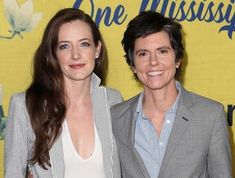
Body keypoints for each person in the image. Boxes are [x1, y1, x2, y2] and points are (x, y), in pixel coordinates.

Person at [111, 10, 232, 178]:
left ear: (178, 59)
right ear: (133, 64)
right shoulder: (115, 118)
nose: (153, 62)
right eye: (143, 54)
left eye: (162, 51)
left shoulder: (210, 116)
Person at [4, 8, 122, 178]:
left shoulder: (113, 101)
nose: (75, 55)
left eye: (84, 44)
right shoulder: (25, 107)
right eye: (64, 46)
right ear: (53, 53)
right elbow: (13, 174)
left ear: (97, 49)